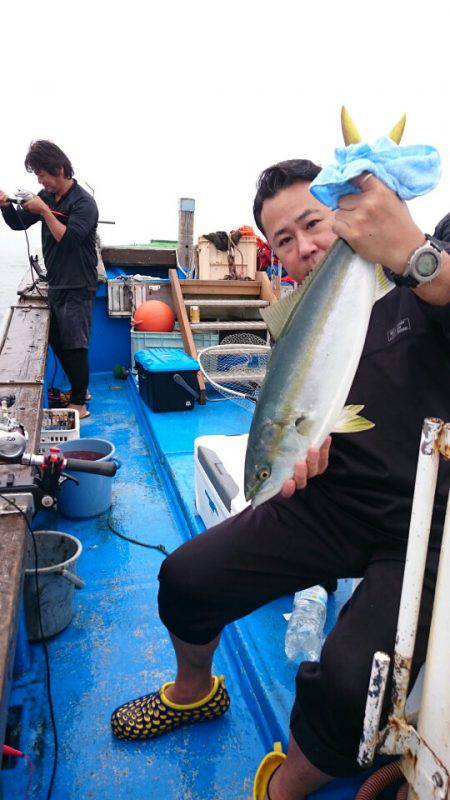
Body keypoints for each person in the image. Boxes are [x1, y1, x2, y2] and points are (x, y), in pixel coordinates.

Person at [111, 159, 450, 800]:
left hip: (421, 526)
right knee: (186, 578)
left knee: (352, 684)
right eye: (284, 241)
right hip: (327, 497)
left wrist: (415, 258)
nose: (304, 249)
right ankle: (195, 693)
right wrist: (293, 464)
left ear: (346, 218)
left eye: (313, 224)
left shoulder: (421, 283)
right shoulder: (293, 314)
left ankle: (284, 787)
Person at [0, 140, 99, 419]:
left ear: (59, 169)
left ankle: (79, 403)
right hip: (55, 283)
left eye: (42, 174)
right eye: (37, 176)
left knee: (75, 345)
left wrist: (43, 210)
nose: (40, 180)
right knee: (57, 340)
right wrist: (6, 206)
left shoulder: (84, 203)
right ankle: (83, 390)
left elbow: (69, 240)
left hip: (78, 283)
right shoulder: (47, 196)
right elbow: (18, 223)